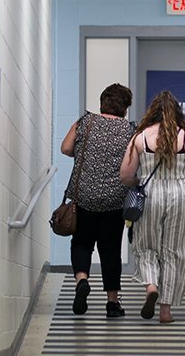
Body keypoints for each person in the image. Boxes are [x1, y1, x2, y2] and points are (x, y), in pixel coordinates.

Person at [120, 91, 185, 324]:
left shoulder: (141, 137)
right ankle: (166, 310)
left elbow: (126, 174)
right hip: (181, 195)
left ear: (153, 111)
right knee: (175, 251)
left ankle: (151, 286)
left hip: (150, 195)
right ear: (177, 112)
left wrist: (138, 184)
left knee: (145, 245)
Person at [61, 83, 135, 318]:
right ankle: (112, 303)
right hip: (115, 200)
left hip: (84, 197)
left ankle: (82, 280)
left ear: (103, 101)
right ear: (124, 108)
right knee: (111, 250)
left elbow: (65, 148)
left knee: (81, 243)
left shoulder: (85, 122)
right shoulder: (130, 130)